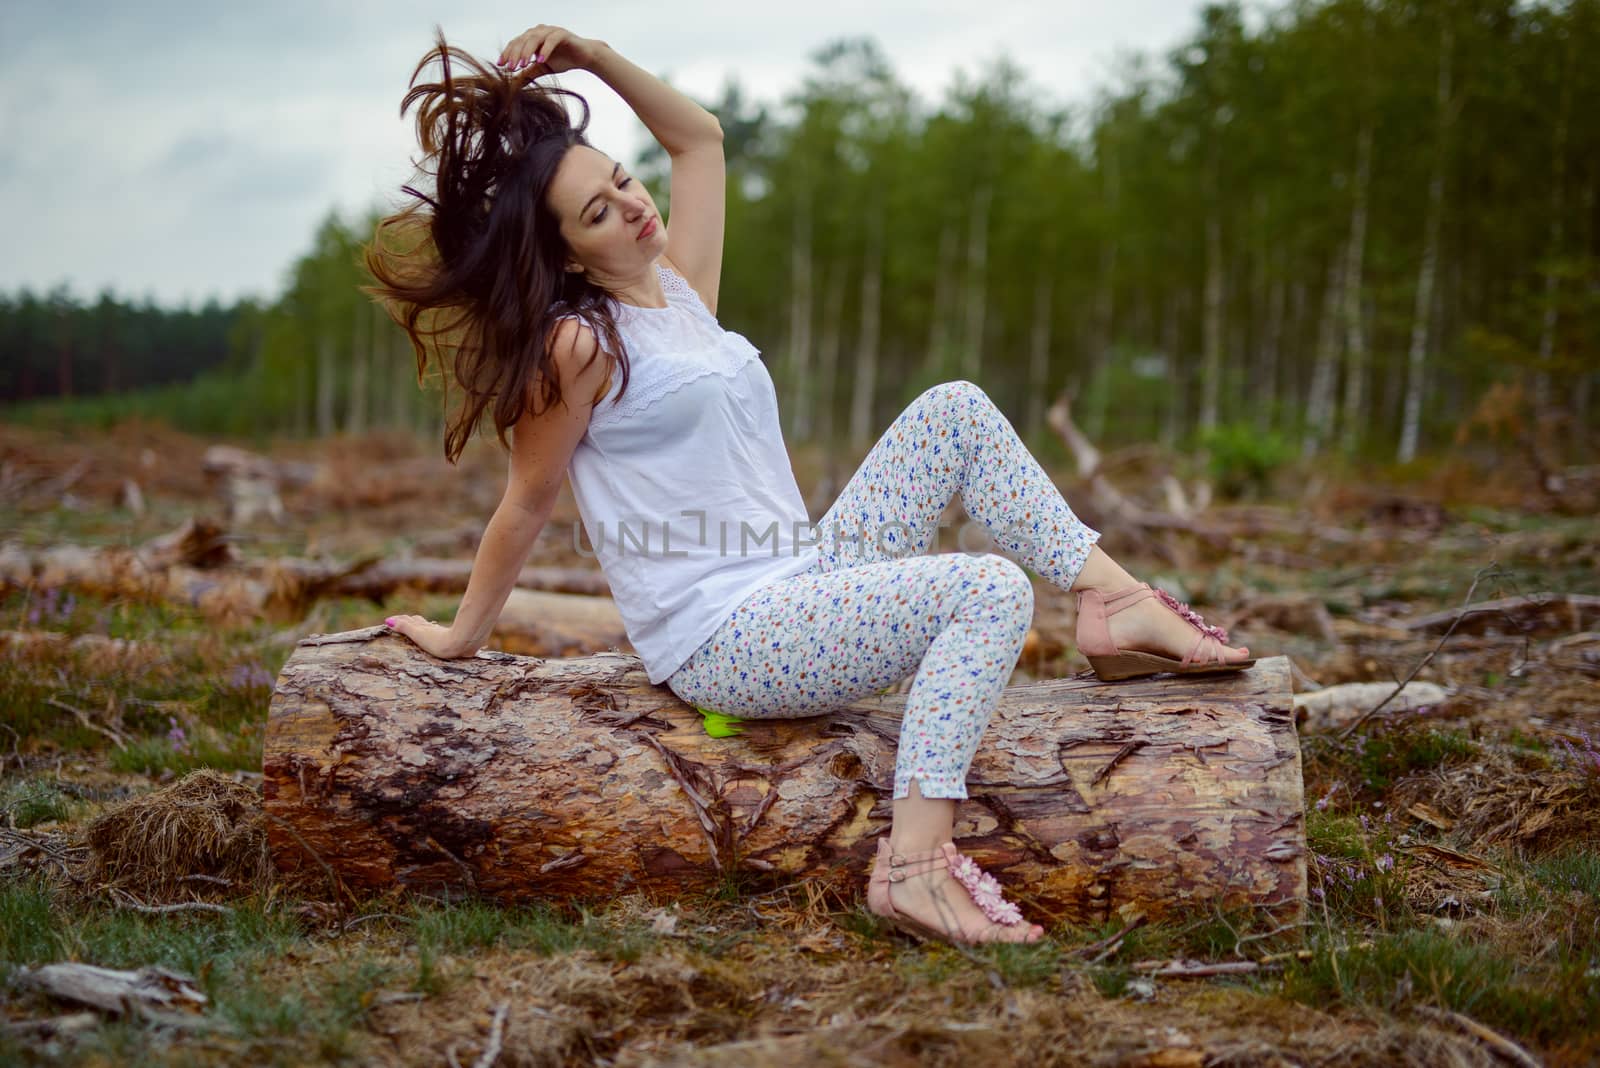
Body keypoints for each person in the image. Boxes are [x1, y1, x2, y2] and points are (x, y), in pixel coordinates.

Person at [366, 24, 1254, 948]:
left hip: (800, 582)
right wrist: (463, 635)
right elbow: (526, 501)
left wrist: (590, 55)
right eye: (597, 212)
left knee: (954, 408)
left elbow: (699, 140)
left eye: (621, 180)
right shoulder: (578, 344)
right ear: (567, 255)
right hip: (725, 636)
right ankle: (914, 866)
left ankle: (1111, 601)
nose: (631, 207)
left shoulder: (678, 296)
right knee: (987, 587)